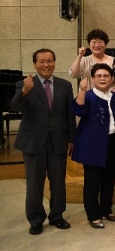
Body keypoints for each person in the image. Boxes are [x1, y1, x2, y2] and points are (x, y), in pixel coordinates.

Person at [11, 49, 75, 235]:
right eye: (41, 61)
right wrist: (25, 91)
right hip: (33, 141)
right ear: (35, 64)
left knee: (58, 182)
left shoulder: (65, 85)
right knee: (34, 183)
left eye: (49, 61)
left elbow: (69, 115)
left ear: (54, 63)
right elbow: (14, 107)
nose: (46, 65)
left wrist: (71, 139)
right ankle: (36, 219)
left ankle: (57, 216)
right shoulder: (24, 84)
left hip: (58, 141)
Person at [70, 63, 115, 229]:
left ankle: (106, 209)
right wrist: (82, 90)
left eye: (106, 75)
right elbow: (78, 111)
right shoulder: (88, 95)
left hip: (113, 142)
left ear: (112, 78)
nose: (102, 78)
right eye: (98, 76)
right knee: (92, 182)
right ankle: (93, 214)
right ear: (92, 79)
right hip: (92, 144)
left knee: (109, 179)